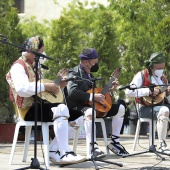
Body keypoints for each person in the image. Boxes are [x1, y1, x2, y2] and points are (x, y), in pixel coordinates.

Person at [6, 36, 86, 165]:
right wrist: (46, 86)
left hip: (41, 106)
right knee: (61, 108)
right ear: (33, 52)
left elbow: (42, 93)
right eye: (41, 51)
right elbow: (22, 89)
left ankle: (53, 149)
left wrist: (58, 86)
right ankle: (64, 152)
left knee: (79, 117)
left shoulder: (35, 67)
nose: (43, 54)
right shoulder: (18, 67)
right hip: (27, 110)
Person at [65, 48, 129, 158]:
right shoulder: (74, 72)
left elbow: (96, 95)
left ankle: (114, 142)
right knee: (90, 112)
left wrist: (109, 90)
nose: (96, 65)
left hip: (91, 106)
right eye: (94, 62)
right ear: (86, 62)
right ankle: (92, 147)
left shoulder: (91, 76)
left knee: (121, 108)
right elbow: (72, 92)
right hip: (77, 108)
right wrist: (93, 96)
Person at [125, 52, 170, 154]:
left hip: (159, 106)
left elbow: (163, 96)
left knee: (165, 109)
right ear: (152, 66)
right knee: (165, 110)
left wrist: (168, 92)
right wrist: (148, 92)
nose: (161, 70)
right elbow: (128, 92)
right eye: (159, 68)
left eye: (162, 67)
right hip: (144, 108)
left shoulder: (163, 78)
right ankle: (162, 145)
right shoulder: (141, 75)